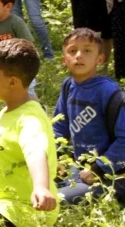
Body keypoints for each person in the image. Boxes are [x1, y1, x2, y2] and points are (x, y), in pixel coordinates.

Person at [0, 39, 58, 227]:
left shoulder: (29, 118)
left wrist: (41, 187)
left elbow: (36, 151)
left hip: (24, 209)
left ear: (12, 82)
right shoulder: (6, 112)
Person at [53, 28, 125, 204]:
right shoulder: (68, 86)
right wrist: (54, 157)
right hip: (79, 168)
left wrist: (98, 169)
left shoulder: (108, 91)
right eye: (72, 51)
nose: (79, 55)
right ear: (64, 60)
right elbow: (58, 126)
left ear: (100, 59)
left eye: (87, 50)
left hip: (112, 174)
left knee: (58, 200)